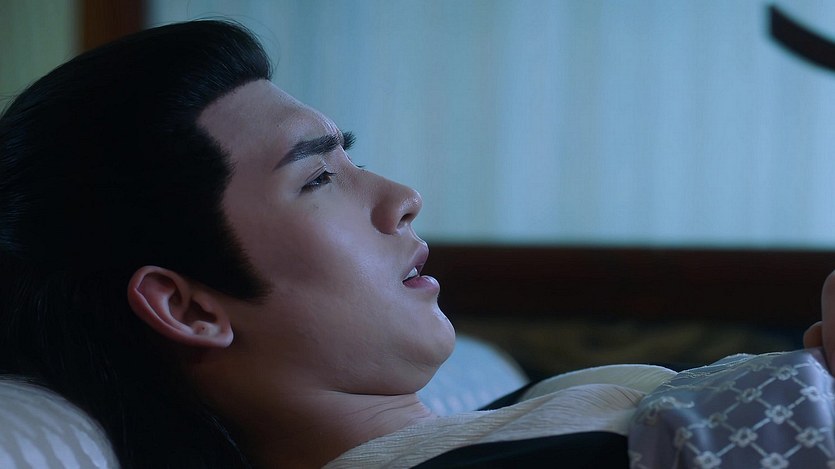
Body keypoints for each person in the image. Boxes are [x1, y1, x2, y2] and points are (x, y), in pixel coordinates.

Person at [1, 19, 833, 469]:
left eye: (349, 157)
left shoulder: (514, 416)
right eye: (316, 177)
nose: (400, 198)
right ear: (188, 307)